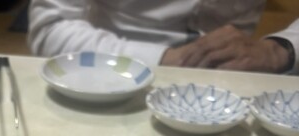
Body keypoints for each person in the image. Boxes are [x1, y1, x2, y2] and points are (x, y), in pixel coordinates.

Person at [27, 0, 299, 74]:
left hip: (239, 77)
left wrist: (281, 49)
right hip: (113, 76)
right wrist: (166, 58)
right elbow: (51, 28)